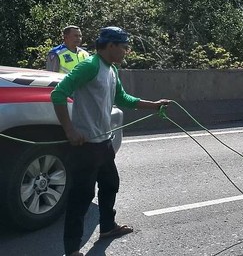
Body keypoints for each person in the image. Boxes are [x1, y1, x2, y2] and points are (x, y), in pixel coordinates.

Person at [51, 27, 171, 256]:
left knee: (110, 184)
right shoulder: (90, 66)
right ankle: (72, 249)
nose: (126, 51)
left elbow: (123, 98)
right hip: (85, 145)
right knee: (81, 197)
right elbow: (58, 94)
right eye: (124, 46)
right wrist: (70, 130)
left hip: (104, 142)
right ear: (111, 45)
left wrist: (154, 105)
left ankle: (107, 227)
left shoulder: (111, 69)